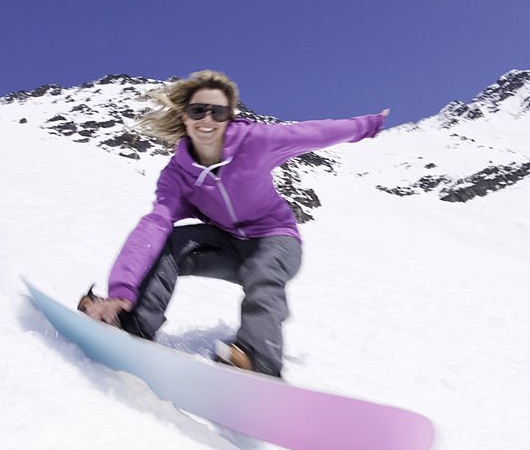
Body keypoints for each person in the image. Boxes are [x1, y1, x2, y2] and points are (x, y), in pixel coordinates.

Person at [80, 69, 388, 377]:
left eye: (218, 112)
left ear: (229, 117)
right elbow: (155, 225)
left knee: (263, 270)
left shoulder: (256, 141)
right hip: (225, 245)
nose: (207, 119)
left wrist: (368, 125)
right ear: (185, 117)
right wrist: (122, 291)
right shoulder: (177, 175)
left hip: (275, 239)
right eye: (198, 110)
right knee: (168, 243)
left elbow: (314, 133)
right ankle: (132, 324)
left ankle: (258, 358)